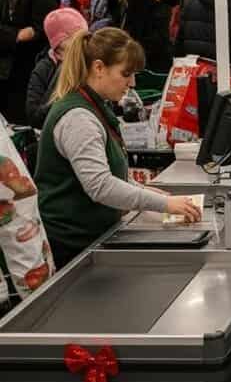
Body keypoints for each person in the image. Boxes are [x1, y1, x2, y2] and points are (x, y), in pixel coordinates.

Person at [35, 27, 201, 266]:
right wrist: (164, 204)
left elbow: (109, 173)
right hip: (74, 248)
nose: (132, 83)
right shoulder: (78, 118)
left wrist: (150, 193)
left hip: (90, 238)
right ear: (99, 68)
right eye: (126, 74)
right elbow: (100, 186)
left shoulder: (93, 105)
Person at [0, 0, 59, 125]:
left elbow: (40, 30)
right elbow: (23, 33)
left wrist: (17, 34)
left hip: (28, 73)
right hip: (6, 71)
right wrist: (16, 34)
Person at [26, 7, 88, 127]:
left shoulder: (92, 62)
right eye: (78, 37)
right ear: (60, 43)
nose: (85, 42)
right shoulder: (44, 69)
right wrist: (64, 90)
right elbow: (34, 117)